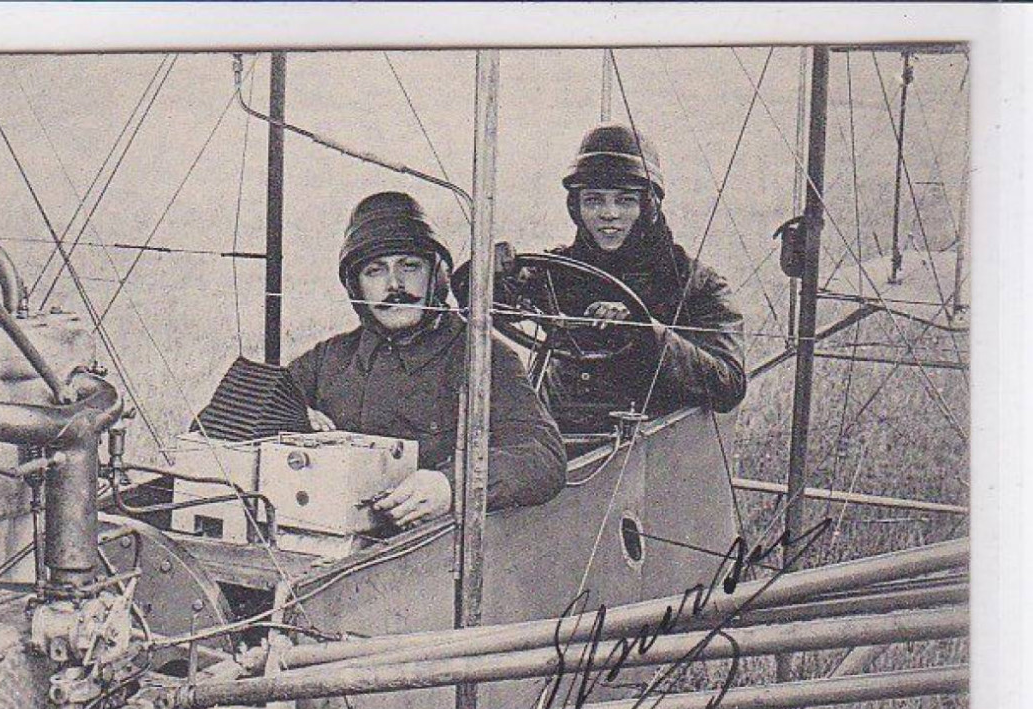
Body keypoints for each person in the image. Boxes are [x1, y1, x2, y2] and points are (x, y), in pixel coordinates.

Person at [286, 191, 566, 528]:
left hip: (433, 555)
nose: (394, 284)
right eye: (375, 271)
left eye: (409, 266)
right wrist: (289, 413)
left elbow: (543, 455)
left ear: (437, 276)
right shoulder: (329, 359)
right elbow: (226, 417)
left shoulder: (480, 356)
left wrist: (452, 486)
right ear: (356, 287)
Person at [539, 124, 747, 436]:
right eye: (594, 200)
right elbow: (484, 299)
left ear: (648, 206)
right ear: (577, 207)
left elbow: (729, 383)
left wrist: (646, 332)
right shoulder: (560, 272)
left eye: (624, 200)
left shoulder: (697, 284)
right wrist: (493, 272)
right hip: (554, 441)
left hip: (648, 453)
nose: (608, 214)